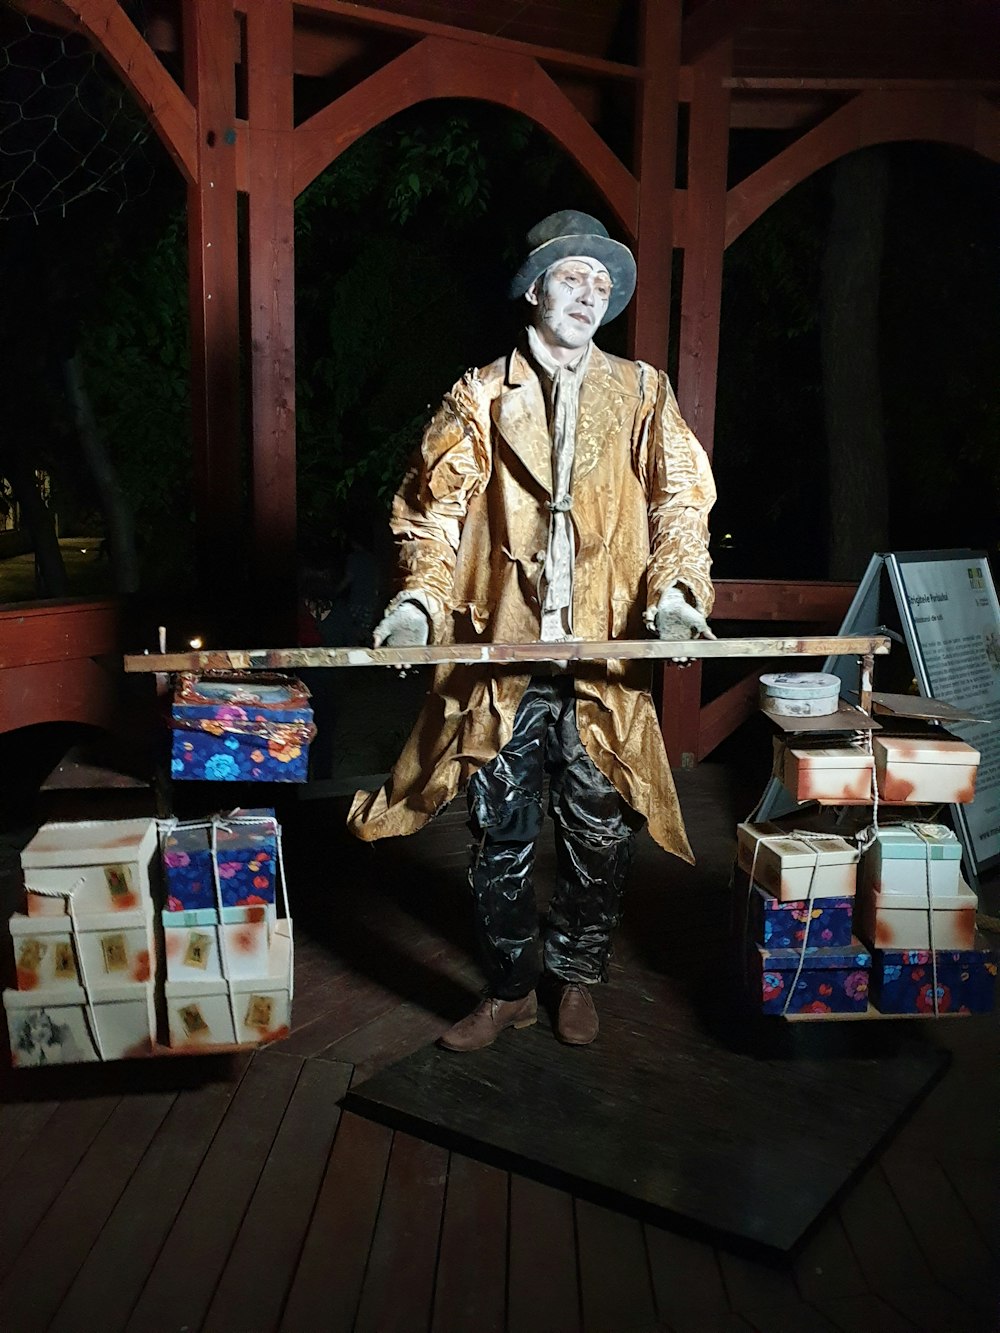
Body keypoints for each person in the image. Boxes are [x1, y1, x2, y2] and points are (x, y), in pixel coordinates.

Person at [349, 211, 716, 1051]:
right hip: (500, 661)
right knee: (499, 833)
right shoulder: (478, 394)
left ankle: (577, 975)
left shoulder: (642, 392)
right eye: (571, 277)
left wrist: (675, 590)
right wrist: (418, 605)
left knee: (599, 832)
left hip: (602, 662)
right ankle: (512, 984)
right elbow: (433, 514)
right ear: (534, 286)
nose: (588, 294)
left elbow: (679, 502)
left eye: (600, 283)